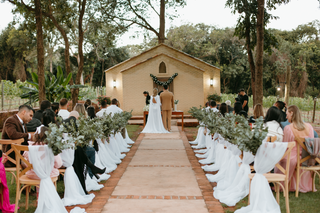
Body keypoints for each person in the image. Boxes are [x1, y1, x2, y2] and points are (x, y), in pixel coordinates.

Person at [63, 112, 106, 194]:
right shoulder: (74, 124)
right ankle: (92, 168)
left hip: (69, 153)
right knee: (82, 151)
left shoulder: (63, 123)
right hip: (67, 157)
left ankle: (92, 168)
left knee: (79, 151)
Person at [275, 105, 314, 192]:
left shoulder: (288, 128)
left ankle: (282, 183)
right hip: (306, 157)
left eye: (287, 114)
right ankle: (300, 184)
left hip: (293, 157)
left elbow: (286, 146)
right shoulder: (309, 127)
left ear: (291, 113)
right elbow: (310, 144)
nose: (286, 117)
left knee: (280, 159)